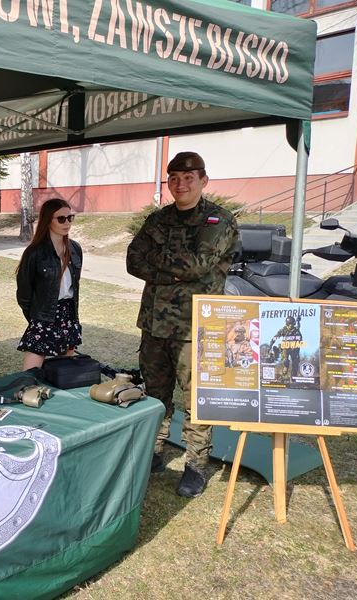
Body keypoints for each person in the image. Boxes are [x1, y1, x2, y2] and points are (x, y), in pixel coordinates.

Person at [126, 151, 239, 497]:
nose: (180, 184)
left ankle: (196, 465)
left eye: (189, 178)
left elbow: (197, 265)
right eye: (174, 178)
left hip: (195, 328)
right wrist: (171, 272)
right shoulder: (158, 219)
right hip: (155, 324)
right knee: (155, 394)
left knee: (196, 399)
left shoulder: (218, 221)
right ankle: (154, 452)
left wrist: (158, 262)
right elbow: (132, 260)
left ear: (203, 181)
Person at [16, 198, 83, 370]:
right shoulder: (34, 253)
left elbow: (74, 286)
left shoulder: (75, 249)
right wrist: (36, 318)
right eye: (61, 218)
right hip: (44, 314)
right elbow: (24, 293)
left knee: (65, 372)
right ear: (48, 220)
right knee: (30, 374)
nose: (67, 223)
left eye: (70, 218)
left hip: (68, 313)